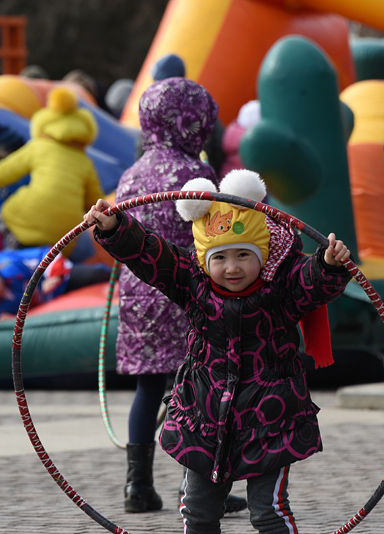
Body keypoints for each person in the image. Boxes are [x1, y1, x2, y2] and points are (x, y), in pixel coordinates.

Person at [85, 168, 352, 533]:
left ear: (262, 255)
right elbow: (152, 254)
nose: (232, 268)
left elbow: (311, 282)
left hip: (269, 417)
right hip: (205, 414)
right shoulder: (192, 282)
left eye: (244, 255)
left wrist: (328, 265)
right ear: (204, 260)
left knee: (268, 511)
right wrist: (116, 228)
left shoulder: (281, 286)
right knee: (197, 511)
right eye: (220, 258)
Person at [102, 76, 248, 514]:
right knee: (202, 390)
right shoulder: (198, 174)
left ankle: (137, 486)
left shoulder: (130, 175)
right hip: (186, 296)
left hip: (139, 296)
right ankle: (202, 490)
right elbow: (211, 240)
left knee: (149, 389)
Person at [0, 86, 103, 256]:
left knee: (4, 214)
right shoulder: (84, 161)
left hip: (26, 220)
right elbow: (95, 200)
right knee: (81, 246)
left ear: (45, 121)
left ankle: (6, 261)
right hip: (64, 232)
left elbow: (8, 170)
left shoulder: (39, 146)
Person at [0, 249, 110, 323]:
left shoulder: (8, 265)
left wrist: (54, 275)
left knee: (97, 274)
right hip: (37, 323)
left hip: (55, 288)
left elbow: (46, 253)